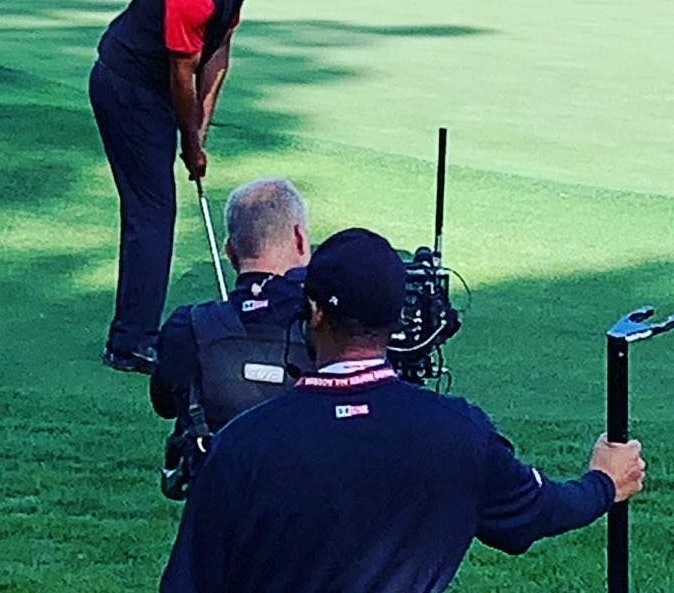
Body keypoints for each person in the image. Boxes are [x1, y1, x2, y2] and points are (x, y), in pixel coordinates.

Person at [160, 227, 647, 593]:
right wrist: (603, 483)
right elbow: (538, 511)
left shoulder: (244, 444)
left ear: (314, 314)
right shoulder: (459, 435)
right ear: (397, 323)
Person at [90, 0, 305, 375]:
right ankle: (129, 342)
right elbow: (181, 73)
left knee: (154, 209)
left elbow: (219, 50)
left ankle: (133, 332)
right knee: (153, 211)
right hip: (126, 87)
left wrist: (202, 126)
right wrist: (189, 140)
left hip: (159, 88)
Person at [150, 177, 313, 498]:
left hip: (216, 512)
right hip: (307, 510)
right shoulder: (327, 328)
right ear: (299, 239)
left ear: (229, 250)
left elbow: (164, 403)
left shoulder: (188, 326)